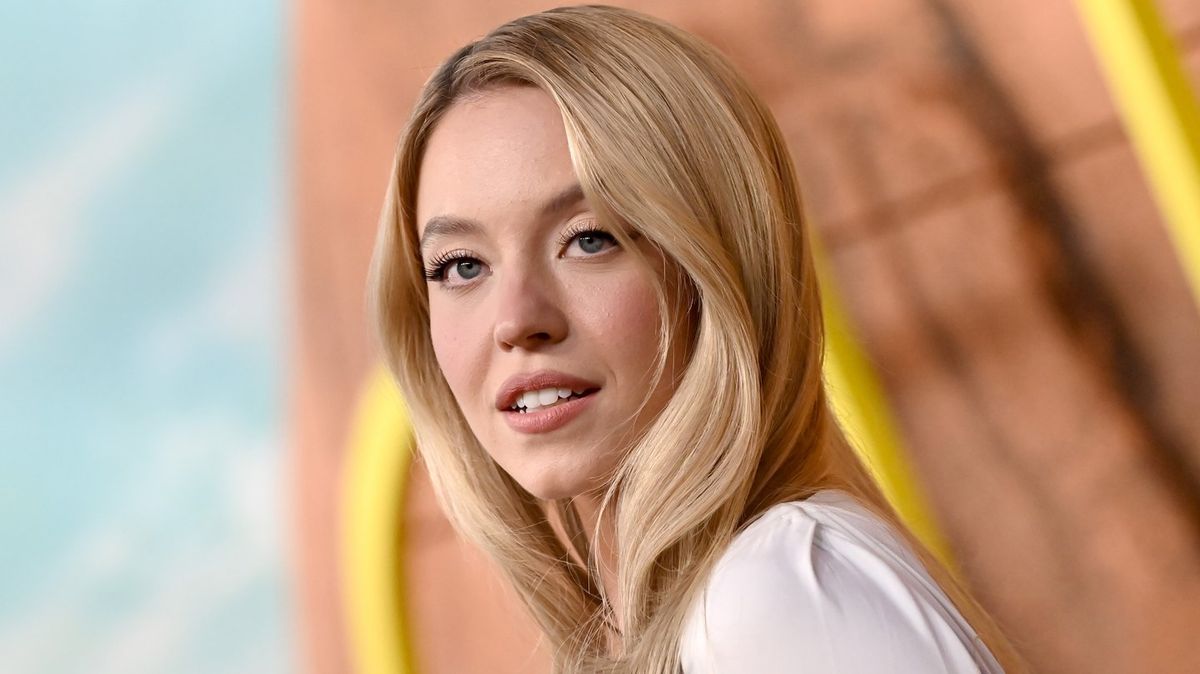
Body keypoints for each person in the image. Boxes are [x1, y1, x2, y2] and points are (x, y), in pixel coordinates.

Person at [369, 5, 1026, 672]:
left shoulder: (772, 591)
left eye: (589, 239)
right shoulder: (728, 608)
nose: (516, 320)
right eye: (461, 266)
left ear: (719, 264)